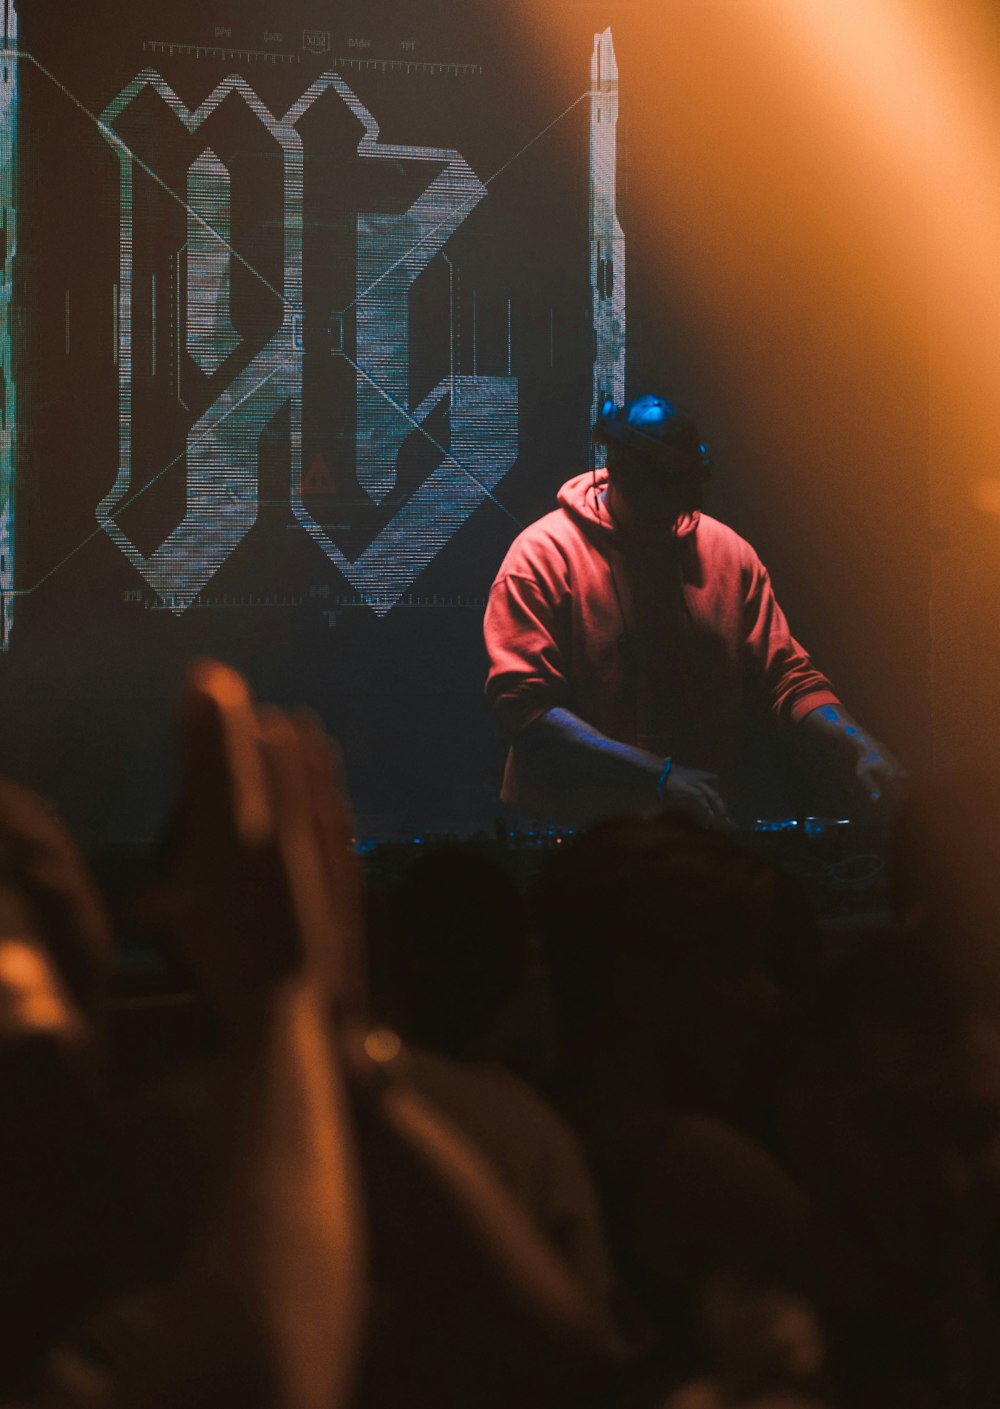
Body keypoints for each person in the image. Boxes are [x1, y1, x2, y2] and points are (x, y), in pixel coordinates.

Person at [484, 393, 905, 826]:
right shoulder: (540, 557)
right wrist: (660, 775)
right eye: (662, 491)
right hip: (574, 834)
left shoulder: (730, 554)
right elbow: (527, 711)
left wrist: (860, 743)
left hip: (693, 826)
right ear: (620, 469)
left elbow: (787, 678)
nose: (675, 510)